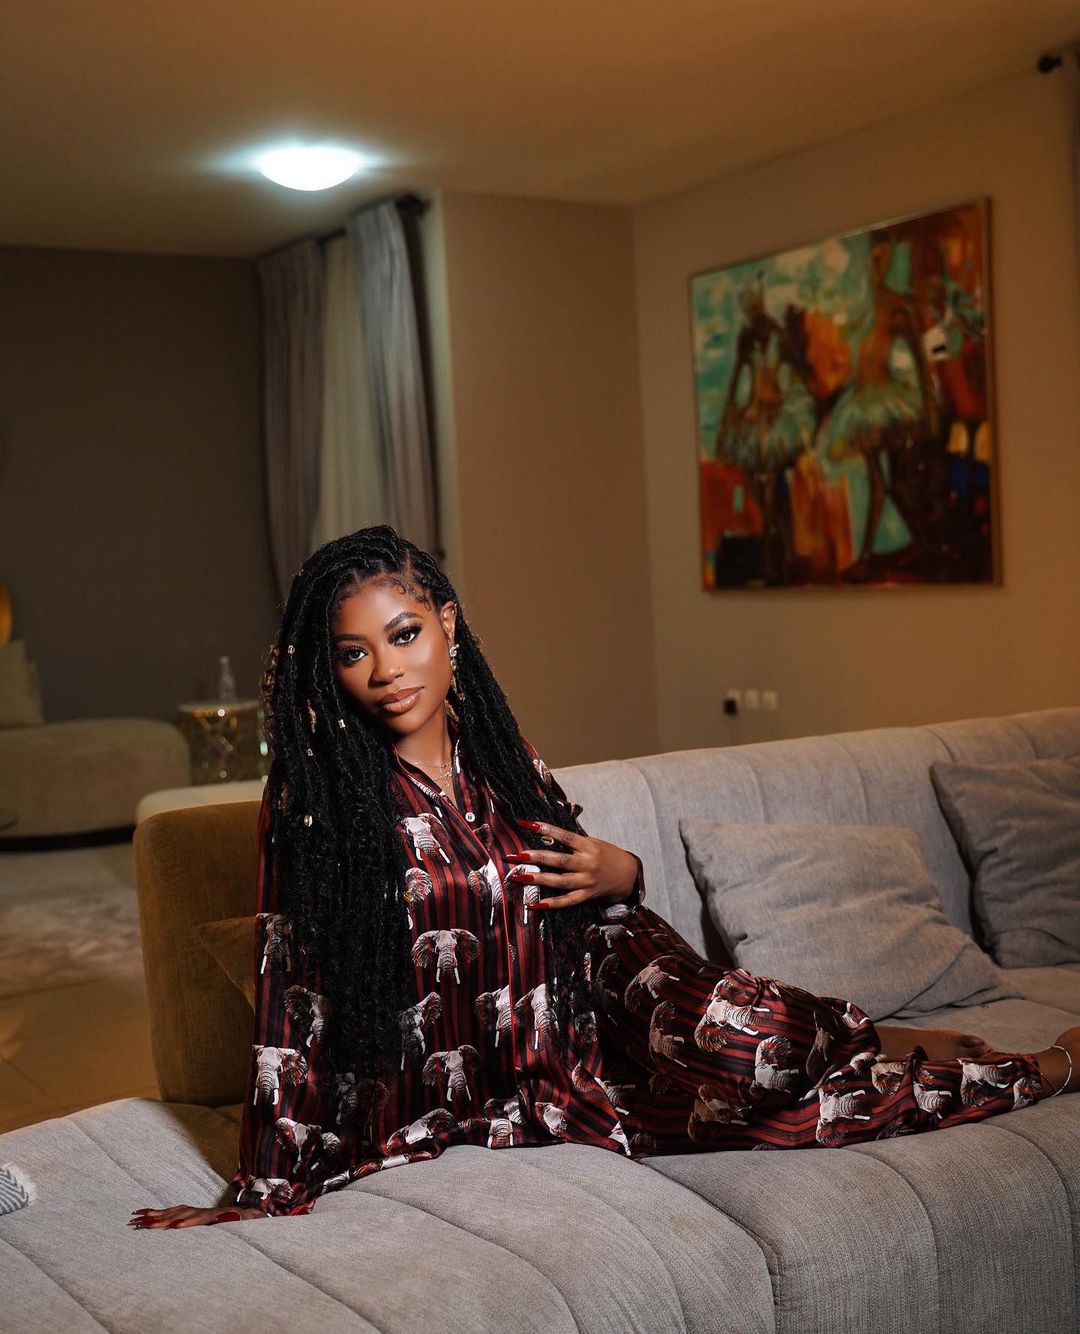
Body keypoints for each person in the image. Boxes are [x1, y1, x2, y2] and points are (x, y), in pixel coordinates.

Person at [130, 526, 1077, 1229]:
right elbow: (294, 993)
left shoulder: (499, 752)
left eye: (405, 634)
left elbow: (586, 876)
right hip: (532, 1070)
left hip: (610, 973)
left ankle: (856, 1029)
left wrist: (624, 867)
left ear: (447, 626)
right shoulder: (317, 804)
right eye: (354, 652)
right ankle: (1027, 1068)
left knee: (759, 1043)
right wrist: (262, 1185)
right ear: (329, 668)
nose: (386, 670)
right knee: (775, 1104)